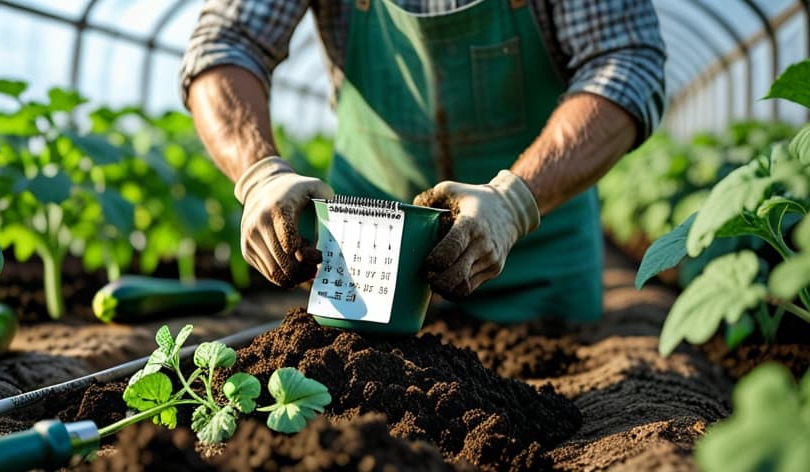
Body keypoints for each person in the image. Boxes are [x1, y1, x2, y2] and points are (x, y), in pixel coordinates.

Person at [181, 0, 665, 323]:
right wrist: (260, 175)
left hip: (538, 261)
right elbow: (228, 40)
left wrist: (513, 203)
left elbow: (625, 61)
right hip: (368, 263)